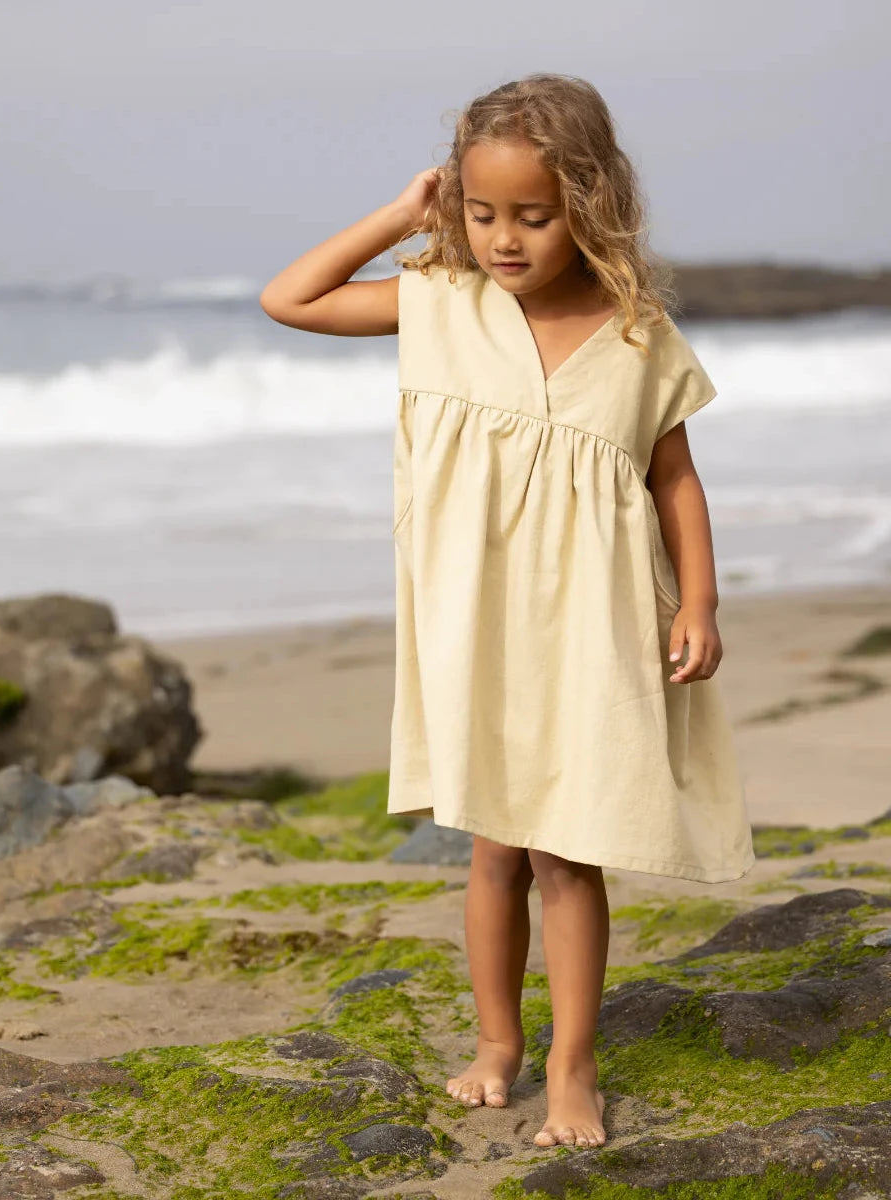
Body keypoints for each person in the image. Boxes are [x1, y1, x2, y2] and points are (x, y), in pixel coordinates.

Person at [259, 73, 754, 1150]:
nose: (505, 240)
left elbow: (676, 479)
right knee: (492, 848)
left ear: (590, 202)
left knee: (568, 854)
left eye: (532, 215)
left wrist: (701, 602)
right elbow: (289, 299)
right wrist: (403, 217)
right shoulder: (438, 301)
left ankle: (573, 1069)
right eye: (482, 215)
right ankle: (498, 1047)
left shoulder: (636, 333)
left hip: (596, 626)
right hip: (476, 625)